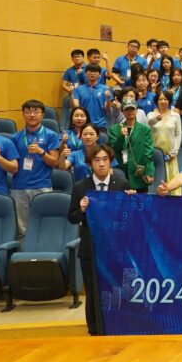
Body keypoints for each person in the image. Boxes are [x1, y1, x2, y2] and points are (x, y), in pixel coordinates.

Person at [68, 144, 132, 335]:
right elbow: (72, 218)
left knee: (117, 289)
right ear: (89, 164)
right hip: (91, 248)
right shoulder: (81, 187)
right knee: (93, 290)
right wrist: (81, 209)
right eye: (97, 160)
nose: (101, 164)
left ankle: (120, 325)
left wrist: (132, 201)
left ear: (111, 162)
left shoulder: (122, 185)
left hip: (116, 249)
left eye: (105, 159)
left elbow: (129, 218)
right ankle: (95, 329)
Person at [10, 100, 61, 239]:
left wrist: (41, 151)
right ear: (23, 114)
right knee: (22, 230)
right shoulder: (15, 137)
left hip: (42, 186)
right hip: (19, 187)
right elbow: (13, 165)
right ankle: (23, 252)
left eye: (36, 111)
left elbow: (54, 162)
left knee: (44, 225)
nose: (32, 115)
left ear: (42, 114)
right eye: (28, 112)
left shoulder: (51, 135)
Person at [107, 97, 154, 191]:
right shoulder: (114, 129)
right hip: (121, 173)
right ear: (122, 111)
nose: (130, 111)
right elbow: (113, 149)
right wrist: (121, 137)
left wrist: (149, 171)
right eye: (127, 109)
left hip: (139, 174)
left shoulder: (145, 129)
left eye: (132, 108)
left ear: (136, 110)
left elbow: (148, 152)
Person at [148, 90, 182, 195]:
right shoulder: (151, 115)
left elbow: (178, 134)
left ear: (169, 101)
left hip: (170, 155)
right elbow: (149, 123)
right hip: (155, 156)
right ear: (156, 101)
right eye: (160, 99)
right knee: (157, 186)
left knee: (173, 188)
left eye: (165, 99)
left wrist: (174, 152)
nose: (163, 101)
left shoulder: (175, 116)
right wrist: (156, 119)